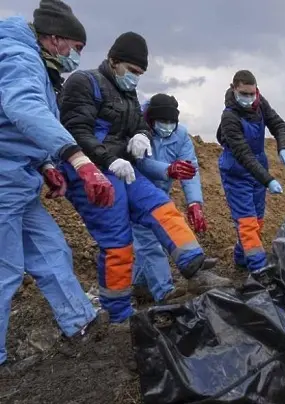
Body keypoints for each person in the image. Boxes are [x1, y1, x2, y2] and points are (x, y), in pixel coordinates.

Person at [59, 32, 232, 324]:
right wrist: (109, 160)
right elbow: (76, 130)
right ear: (113, 61)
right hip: (91, 171)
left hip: (124, 169)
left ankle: (195, 267)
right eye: (133, 71)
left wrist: (140, 134)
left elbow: (139, 123)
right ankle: (119, 315)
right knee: (118, 243)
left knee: (161, 206)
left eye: (140, 73)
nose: (135, 78)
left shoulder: (127, 94)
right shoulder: (83, 82)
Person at [0, 0, 115, 366]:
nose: (76, 57)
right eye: (76, 48)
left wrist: (48, 163)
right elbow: (23, 108)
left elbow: (22, 128)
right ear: (54, 38)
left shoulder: (39, 68)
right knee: (4, 272)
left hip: (18, 183)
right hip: (2, 183)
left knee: (52, 251)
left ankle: (81, 323)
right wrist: (75, 157)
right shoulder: (18, 57)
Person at [132, 93, 208, 303]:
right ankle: (164, 292)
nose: (167, 126)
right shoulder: (139, 131)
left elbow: (190, 169)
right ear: (151, 119)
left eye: (171, 122)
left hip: (160, 195)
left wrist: (194, 202)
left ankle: (140, 285)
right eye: (162, 121)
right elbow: (140, 162)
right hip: (138, 192)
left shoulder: (180, 135)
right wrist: (168, 170)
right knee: (149, 242)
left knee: (150, 239)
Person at [217, 70, 285, 274]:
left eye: (252, 93)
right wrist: (268, 180)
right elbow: (243, 154)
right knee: (247, 223)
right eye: (244, 94)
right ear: (234, 89)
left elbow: (278, 124)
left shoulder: (260, 103)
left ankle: (241, 259)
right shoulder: (229, 117)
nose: (249, 99)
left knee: (257, 220)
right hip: (237, 171)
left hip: (258, 165)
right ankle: (259, 270)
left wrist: (283, 146)